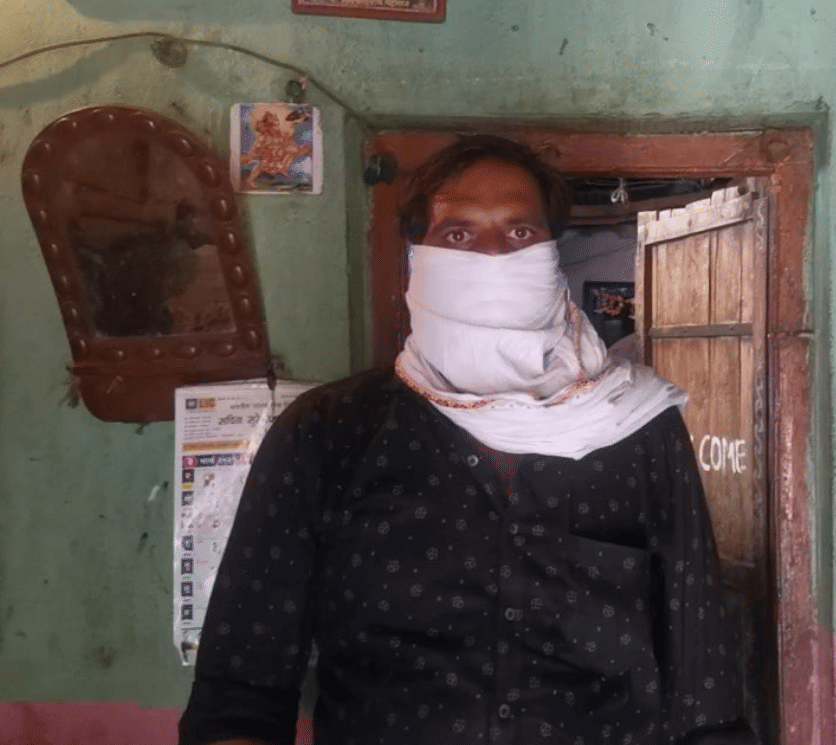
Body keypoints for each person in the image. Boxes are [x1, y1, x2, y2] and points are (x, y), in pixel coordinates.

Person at [178, 135, 754, 745]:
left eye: (520, 233)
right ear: (418, 260)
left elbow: (705, 695)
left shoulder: (639, 428)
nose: (493, 257)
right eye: (458, 235)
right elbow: (239, 694)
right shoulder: (326, 434)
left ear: (552, 255)